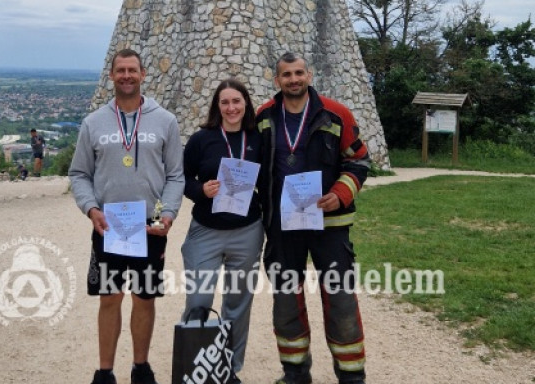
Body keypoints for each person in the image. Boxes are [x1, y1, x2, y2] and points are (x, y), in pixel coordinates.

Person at [68, 48, 184, 384]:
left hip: (149, 227)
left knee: (144, 299)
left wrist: (170, 214)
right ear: (112, 76)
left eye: (132, 70)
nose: (126, 76)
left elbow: (176, 175)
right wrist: (91, 209)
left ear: (143, 74)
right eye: (120, 70)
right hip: (109, 226)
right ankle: (105, 372)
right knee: (109, 298)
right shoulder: (93, 123)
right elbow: (78, 174)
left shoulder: (165, 120)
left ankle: (141, 367)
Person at [256, 52, 370, 384]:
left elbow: (359, 160)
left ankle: (352, 376)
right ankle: (295, 373)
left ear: (310, 74)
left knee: (341, 301)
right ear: (276, 80)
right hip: (283, 227)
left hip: (330, 227)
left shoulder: (337, 114)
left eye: (299, 73)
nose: (294, 79)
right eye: (286, 75)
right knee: (286, 303)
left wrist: (341, 193)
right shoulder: (264, 117)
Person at [181, 78, 263, 384]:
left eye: (236, 101)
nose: (231, 108)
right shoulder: (202, 139)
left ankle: (229, 368)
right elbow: (182, 179)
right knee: (199, 300)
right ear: (218, 106)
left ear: (246, 104)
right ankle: (195, 367)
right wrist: (201, 189)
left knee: (238, 303)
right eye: (225, 102)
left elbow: (268, 179)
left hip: (247, 230)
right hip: (206, 230)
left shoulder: (257, 138)